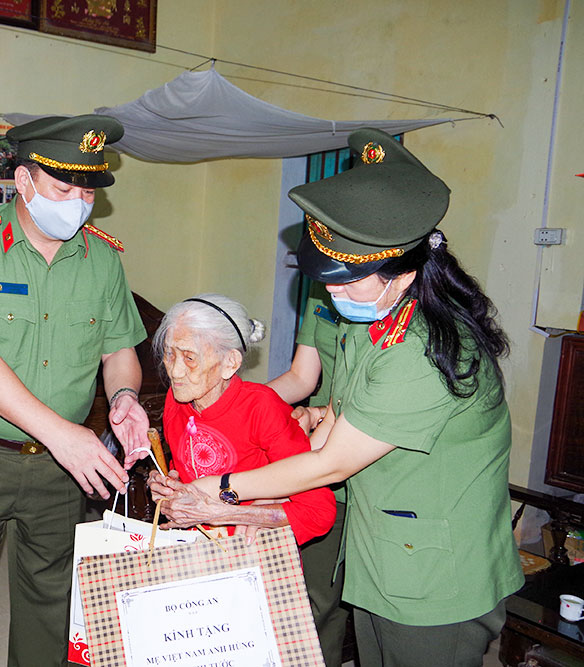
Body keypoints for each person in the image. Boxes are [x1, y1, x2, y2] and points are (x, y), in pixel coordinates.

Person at [151, 128, 523, 667]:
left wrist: (222, 487)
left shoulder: (423, 351)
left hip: (436, 575)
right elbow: (338, 421)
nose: (333, 293)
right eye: (330, 278)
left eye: (350, 281)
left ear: (404, 273)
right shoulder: (369, 326)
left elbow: (326, 464)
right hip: (380, 554)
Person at [0, 115, 150, 666]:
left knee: (51, 604)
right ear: (23, 183)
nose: (76, 203)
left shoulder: (102, 259)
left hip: (61, 468)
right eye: (62, 188)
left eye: (87, 191)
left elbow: (119, 351)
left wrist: (124, 399)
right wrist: (64, 436)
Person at [154, 294, 335, 545]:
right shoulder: (176, 400)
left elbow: (318, 513)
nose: (174, 372)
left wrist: (228, 513)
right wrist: (167, 486)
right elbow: (187, 466)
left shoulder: (262, 408)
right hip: (194, 552)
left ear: (230, 363)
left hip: (251, 557)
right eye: (169, 354)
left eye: (190, 358)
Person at [266, 281, 350, 667]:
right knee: (306, 602)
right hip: (319, 458)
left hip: (349, 453)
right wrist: (243, 406)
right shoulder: (323, 286)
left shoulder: (384, 290)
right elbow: (301, 378)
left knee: (337, 607)